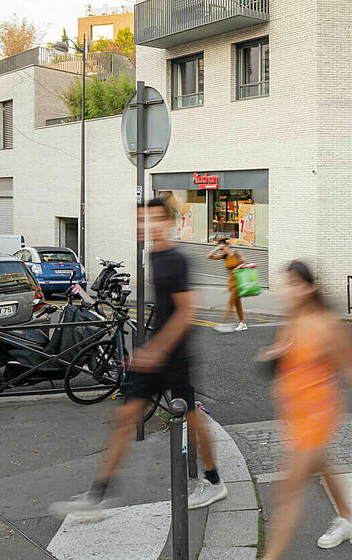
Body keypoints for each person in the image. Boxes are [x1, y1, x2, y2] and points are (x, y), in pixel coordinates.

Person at [50, 199, 227, 520]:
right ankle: (98, 495)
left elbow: (185, 311)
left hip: (173, 356)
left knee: (191, 418)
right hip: (155, 355)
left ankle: (213, 480)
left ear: (168, 222)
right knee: (126, 419)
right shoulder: (154, 255)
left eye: (155, 219)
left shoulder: (175, 259)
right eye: (143, 219)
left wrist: (156, 350)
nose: (147, 225)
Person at [258, 261, 352, 558]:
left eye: (296, 284)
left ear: (311, 288)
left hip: (318, 413)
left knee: (288, 489)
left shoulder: (328, 325)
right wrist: (272, 356)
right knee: (322, 463)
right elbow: (285, 361)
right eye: (288, 284)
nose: (290, 291)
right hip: (295, 413)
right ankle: (347, 519)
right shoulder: (292, 320)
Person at [209, 237, 247, 332]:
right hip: (231, 282)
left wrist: (243, 262)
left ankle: (225, 323)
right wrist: (216, 249)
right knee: (237, 303)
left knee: (231, 302)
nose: (222, 250)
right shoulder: (224, 256)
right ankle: (243, 323)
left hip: (239, 281)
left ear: (227, 245)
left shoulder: (237, 254)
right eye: (221, 249)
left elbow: (245, 264)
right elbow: (209, 256)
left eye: (223, 248)